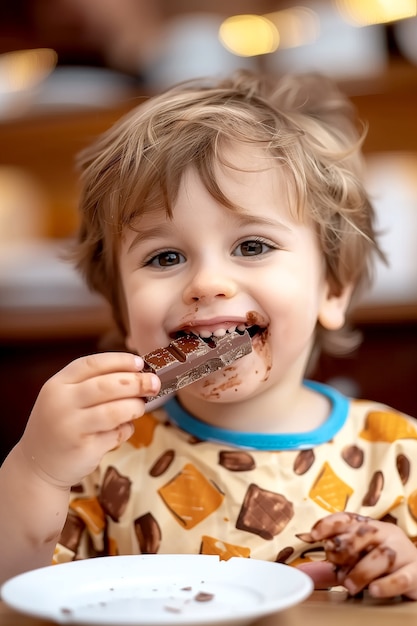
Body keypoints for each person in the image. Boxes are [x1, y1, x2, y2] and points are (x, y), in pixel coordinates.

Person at [1, 69, 417, 598]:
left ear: (332, 288)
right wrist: (38, 471)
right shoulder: (99, 465)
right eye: (166, 256)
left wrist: (402, 566)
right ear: (125, 313)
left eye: (252, 246)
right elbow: (15, 591)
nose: (208, 283)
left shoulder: (398, 454)